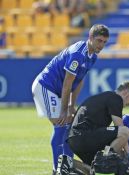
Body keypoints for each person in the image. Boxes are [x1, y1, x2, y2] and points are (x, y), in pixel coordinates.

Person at [31, 24, 109, 174]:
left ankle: (66, 167)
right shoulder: (78, 54)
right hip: (45, 87)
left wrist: (72, 105)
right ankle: (58, 170)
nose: (102, 45)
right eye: (99, 41)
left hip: (57, 91)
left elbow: (79, 80)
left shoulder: (92, 56)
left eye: (104, 42)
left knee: (69, 127)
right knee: (61, 125)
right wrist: (64, 110)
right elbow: (67, 83)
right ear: (90, 38)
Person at [67, 81, 129, 172]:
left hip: (74, 139)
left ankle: (69, 164)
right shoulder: (116, 98)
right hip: (85, 136)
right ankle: (104, 159)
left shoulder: (103, 97)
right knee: (125, 131)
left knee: (92, 169)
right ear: (125, 93)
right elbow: (120, 127)